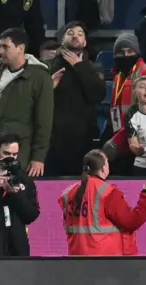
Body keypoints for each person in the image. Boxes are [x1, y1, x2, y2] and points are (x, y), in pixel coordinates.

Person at [0, 28, 53, 177]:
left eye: (5, 47)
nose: (0, 51)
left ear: (21, 48)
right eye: (0, 46)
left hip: (16, 151)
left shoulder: (40, 77)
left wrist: (38, 157)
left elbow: (44, 121)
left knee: (10, 192)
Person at [58, 149, 146, 256]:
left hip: (75, 260)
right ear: (104, 168)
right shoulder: (107, 192)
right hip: (105, 261)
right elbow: (132, 221)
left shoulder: (68, 193)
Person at [46, 21, 106, 176]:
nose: (75, 36)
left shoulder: (93, 68)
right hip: (54, 140)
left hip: (83, 140)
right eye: (70, 33)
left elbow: (97, 95)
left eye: (80, 34)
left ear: (85, 42)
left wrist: (80, 66)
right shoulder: (48, 67)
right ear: (62, 40)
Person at [102, 33, 146, 176]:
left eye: (130, 51)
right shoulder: (119, 76)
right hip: (122, 141)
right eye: (120, 52)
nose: (125, 55)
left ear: (137, 53)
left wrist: (116, 143)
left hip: (140, 145)